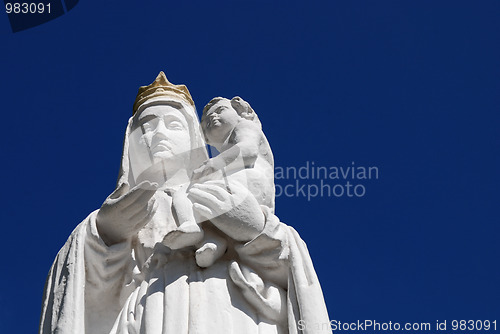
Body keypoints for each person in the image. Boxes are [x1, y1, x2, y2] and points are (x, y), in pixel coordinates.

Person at [39, 72, 332, 334]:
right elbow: (77, 296)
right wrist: (104, 235)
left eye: (173, 125)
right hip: (149, 313)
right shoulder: (114, 214)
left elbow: (293, 269)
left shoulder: (222, 188)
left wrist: (255, 230)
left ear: (193, 135)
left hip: (231, 310)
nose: (158, 136)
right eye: (146, 128)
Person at [163, 96, 275, 268]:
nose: (212, 117)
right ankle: (213, 242)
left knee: (186, 191)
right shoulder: (227, 152)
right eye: (206, 120)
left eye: (220, 111)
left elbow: (248, 150)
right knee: (196, 199)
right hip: (241, 186)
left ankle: (190, 225)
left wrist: (213, 164)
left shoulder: (245, 126)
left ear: (240, 113)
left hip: (249, 182)